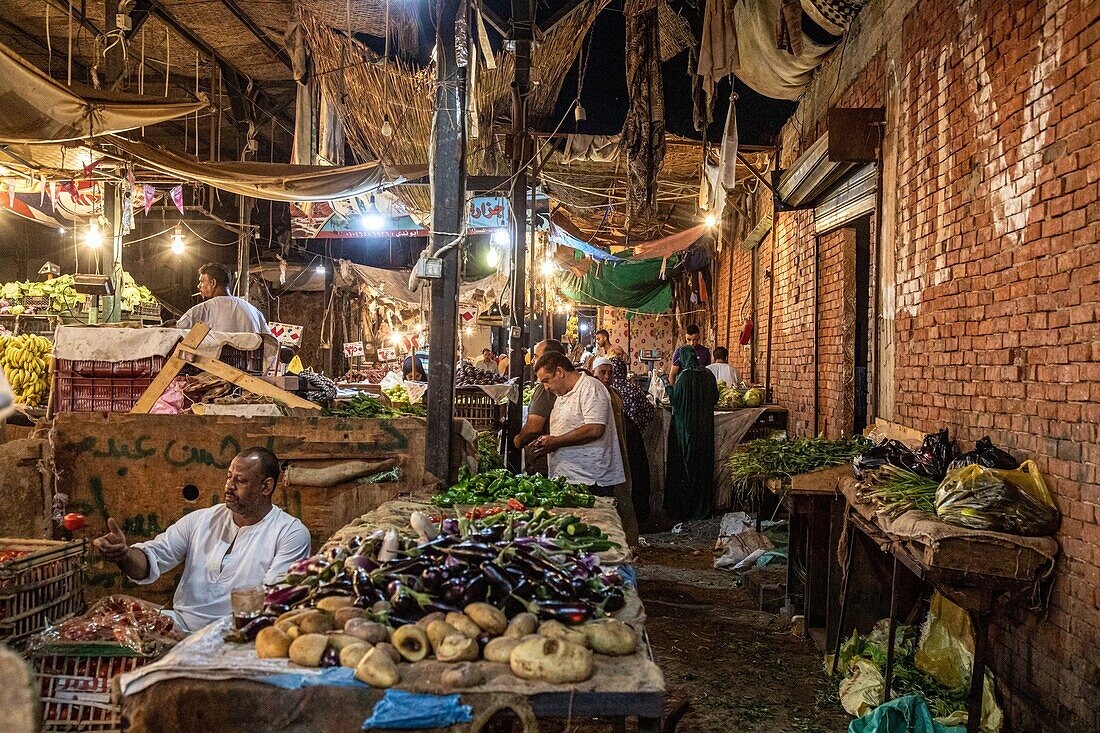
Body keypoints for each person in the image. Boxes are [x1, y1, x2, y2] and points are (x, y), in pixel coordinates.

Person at [93, 447, 311, 634]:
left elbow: (274, 599)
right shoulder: (202, 520)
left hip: (238, 636)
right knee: (106, 615)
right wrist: (124, 555)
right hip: (179, 626)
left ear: (266, 487)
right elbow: (152, 559)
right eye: (228, 477)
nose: (229, 486)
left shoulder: (290, 533)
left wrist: (216, 638)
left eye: (240, 480)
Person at [529, 351, 625, 494]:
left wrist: (556, 442)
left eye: (546, 380)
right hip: (568, 478)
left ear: (560, 372)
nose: (546, 387)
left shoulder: (591, 387)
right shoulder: (562, 394)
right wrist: (546, 441)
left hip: (590, 481)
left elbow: (595, 429)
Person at [664, 346, 719, 521]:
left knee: (687, 468)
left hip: (687, 431)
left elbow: (676, 400)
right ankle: (702, 509)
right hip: (705, 430)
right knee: (703, 467)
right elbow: (715, 398)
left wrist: (667, 384)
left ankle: (685, 510)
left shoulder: (684, 377)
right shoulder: (708, 375)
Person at [590, 357, 639, 544]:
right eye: (602, 372)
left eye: (610, 372)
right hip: (604, 452)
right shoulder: (594, 393)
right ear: (593, 372)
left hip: (619, 448)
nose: (607, 376)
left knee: (623, 494)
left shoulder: (614, 393)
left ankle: (628, 541)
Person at [609, 356, 655, 527]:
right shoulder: (633, 388)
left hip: (616, 440)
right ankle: (639, 515)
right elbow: (649, 411)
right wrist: (639, 426)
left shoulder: (608, 390)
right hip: (634, 437)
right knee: (637, 474)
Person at [514, 339, 567, 475]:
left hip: (546, 457)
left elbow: (534, 427)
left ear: (548, 359)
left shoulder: (547, 387)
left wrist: (518, 440)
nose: (532, 361)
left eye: (536, 356)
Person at [176, 263, 270, 334]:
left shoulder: (202, 310)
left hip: (213, 360)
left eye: (201, 282)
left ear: (213, 283)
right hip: (249, 360)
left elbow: (176, 331)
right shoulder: (254, 311)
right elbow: (270, 342)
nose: (198, 286)